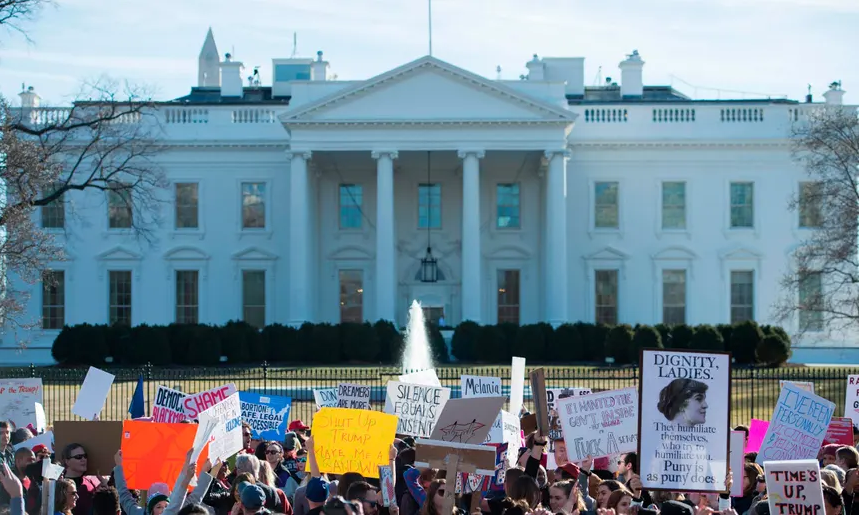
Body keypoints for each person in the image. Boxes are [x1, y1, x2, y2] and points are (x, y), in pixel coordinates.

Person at [59, 443, 101, 515]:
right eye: (78, 457)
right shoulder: (60, 485)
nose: (83, 459)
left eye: (85, 456)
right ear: (67, 461)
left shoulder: (91, 480)